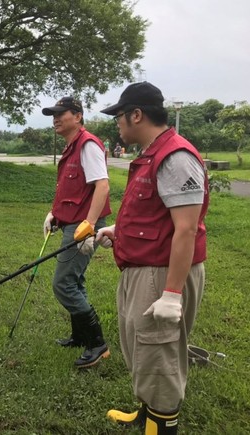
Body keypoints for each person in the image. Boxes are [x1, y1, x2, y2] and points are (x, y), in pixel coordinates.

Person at [97, 82, 209, 434]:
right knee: (143, 348)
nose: (117, 123)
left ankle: (161, 424)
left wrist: (172, 294)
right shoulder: (151, 153)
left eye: (119, 116)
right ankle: (147, 414)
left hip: (162, 273)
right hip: (143, 267)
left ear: (136, 114)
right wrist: (120, 229)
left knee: (158, 353)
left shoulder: (175, 157)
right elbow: (157, 214)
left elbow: (186, 229)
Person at [41, 96, 111, 368]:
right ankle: (80, 335)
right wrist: (55, 214)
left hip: (83, 225)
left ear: (78, 116)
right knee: (75, 279)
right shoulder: (72, 146)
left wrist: (90, 225)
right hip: (72, 222)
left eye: (61, 113)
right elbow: (72, 190)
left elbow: (102, 186)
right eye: (53, 114)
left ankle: (97, 343)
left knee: (63, 283)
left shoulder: (88, 145)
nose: (56, 118)